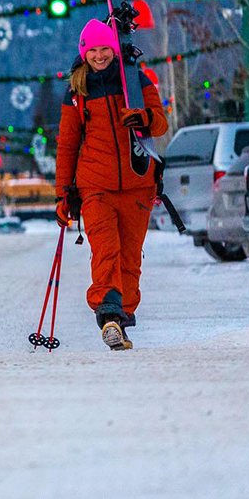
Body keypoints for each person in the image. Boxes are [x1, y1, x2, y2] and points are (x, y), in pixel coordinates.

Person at [54, 18, 168, 351]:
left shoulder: (136, 80)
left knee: (130, 258)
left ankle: (122, 318)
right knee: (106, 252)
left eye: (106, 48)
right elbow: (67, 145)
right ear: (83, 52)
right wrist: (64, 192)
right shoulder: (77, 92)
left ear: (114, 49)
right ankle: (108, 315)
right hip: (95, 186)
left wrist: (144, 119)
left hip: (138, 184)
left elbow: (160, 122)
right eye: (93, 50)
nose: (100, 55)